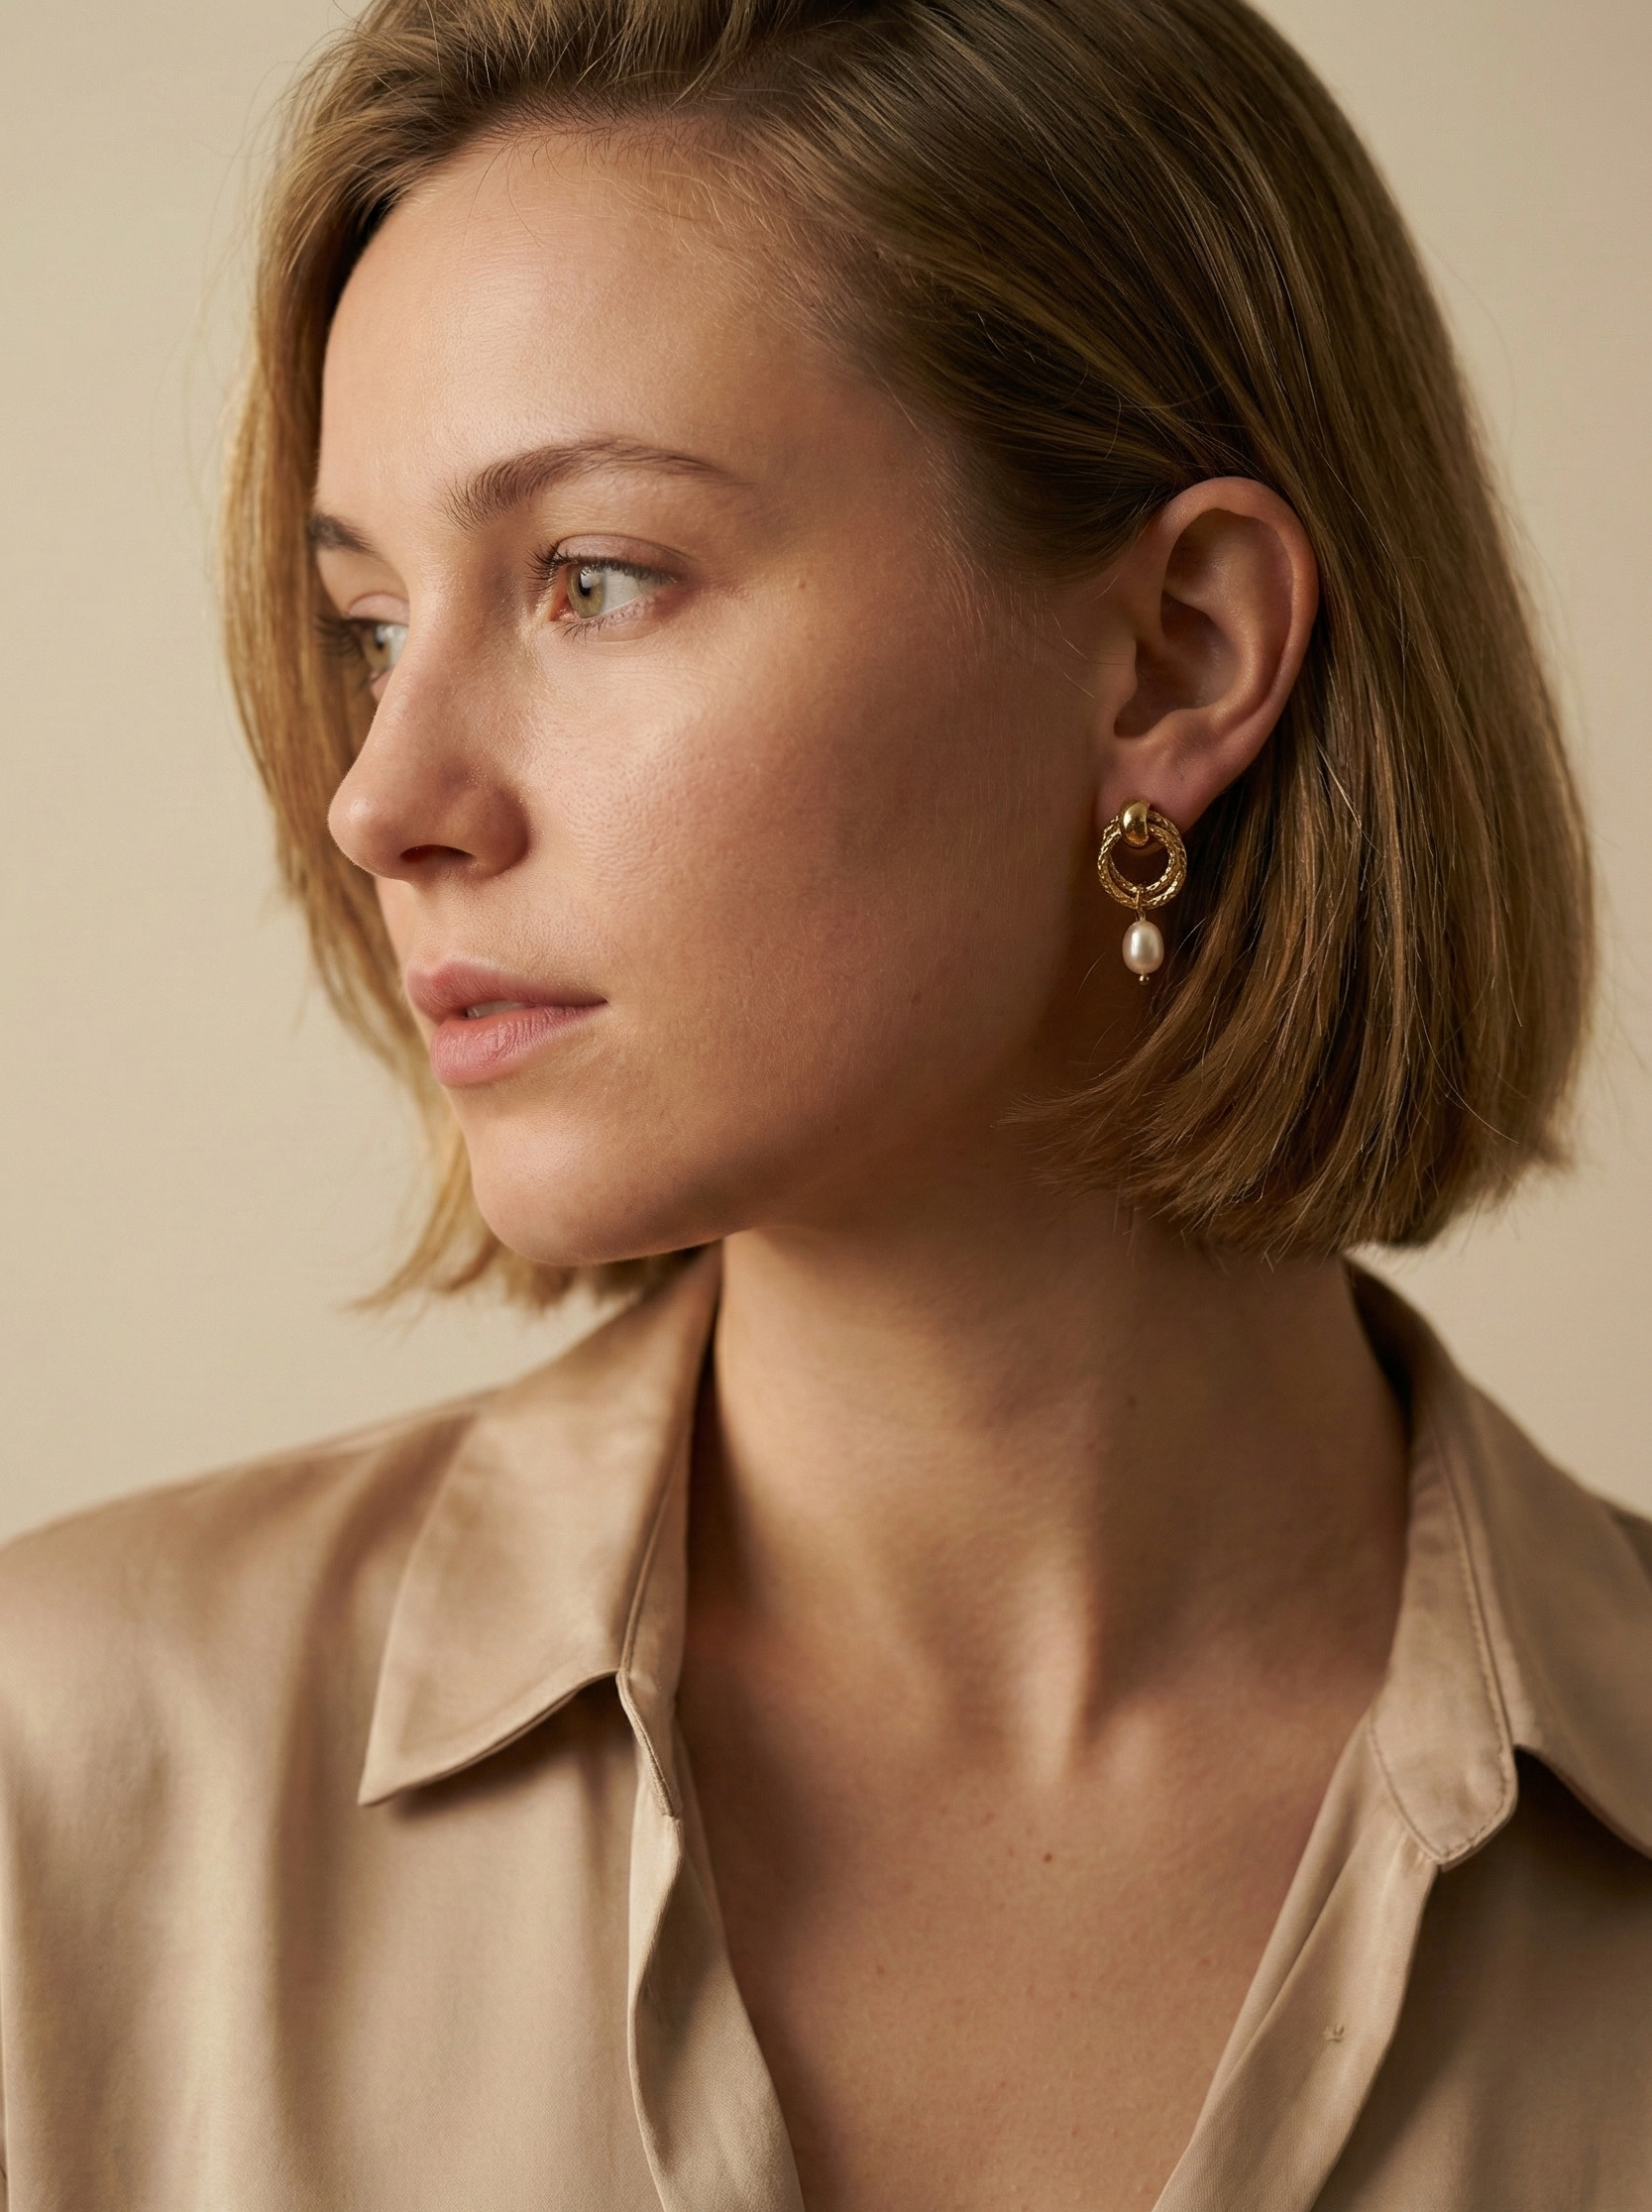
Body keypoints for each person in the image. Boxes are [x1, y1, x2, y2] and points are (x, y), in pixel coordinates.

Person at [2, 0, 1647, 2204]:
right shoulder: (70, 1783)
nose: (382, 797)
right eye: (373, 623)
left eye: (593, 578)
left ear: (1173, 653)